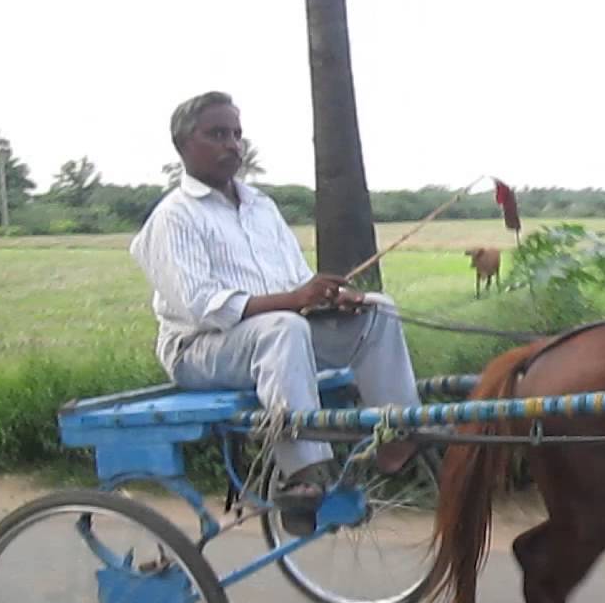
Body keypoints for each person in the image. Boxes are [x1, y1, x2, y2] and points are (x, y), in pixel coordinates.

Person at [130, 91, 423, 534]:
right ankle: (303, 473)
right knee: (283, 327)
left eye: (236, 134)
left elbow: (294, 282)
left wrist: (327, 297)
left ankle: (397, 434)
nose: (232, 145)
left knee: (377, 311)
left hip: (274, 338)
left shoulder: (260, 206)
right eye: (217, 134)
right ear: (184, 145)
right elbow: (203, 306)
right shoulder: (174, 217)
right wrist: (295, 301)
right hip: (200, 350)